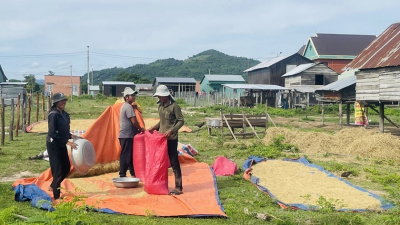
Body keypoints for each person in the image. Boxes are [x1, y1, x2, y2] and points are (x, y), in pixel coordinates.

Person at [148, 85, 184, 195]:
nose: (158, 97)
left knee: (173, 161)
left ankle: (178, 187)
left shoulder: (174, 106)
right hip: (161, 138)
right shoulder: (160, 106)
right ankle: (161, 184)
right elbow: (162, 121)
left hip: (171, 139)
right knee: (161, 162)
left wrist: (172, 130)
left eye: (160, 96)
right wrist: (155, 127)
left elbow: (181, 121)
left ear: (165, 95)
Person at [46, 92, 78, 200]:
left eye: (64, 100)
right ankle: (56, 197)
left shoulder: (64, 114)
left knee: (66, 168)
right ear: (56, 103)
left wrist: (70, 136)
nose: (63, 102)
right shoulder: (53, 115)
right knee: (58, 171)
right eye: (61, 101)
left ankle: (53, 185)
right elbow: (53, 133)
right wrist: (66, 142)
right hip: (54, 145)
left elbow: (63, 131)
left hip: (61, 143)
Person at [119, 87, 144, 177]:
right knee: (125, 155)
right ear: (126, 97)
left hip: (127, 135)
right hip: (127, 135)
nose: (134, 97)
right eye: (131, 95)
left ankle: (133, 173)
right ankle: (122, 174)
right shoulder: (128, 107)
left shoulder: (126, 106)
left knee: (130, 155)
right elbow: (134, 121)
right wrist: (140, 128)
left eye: (134, 95)